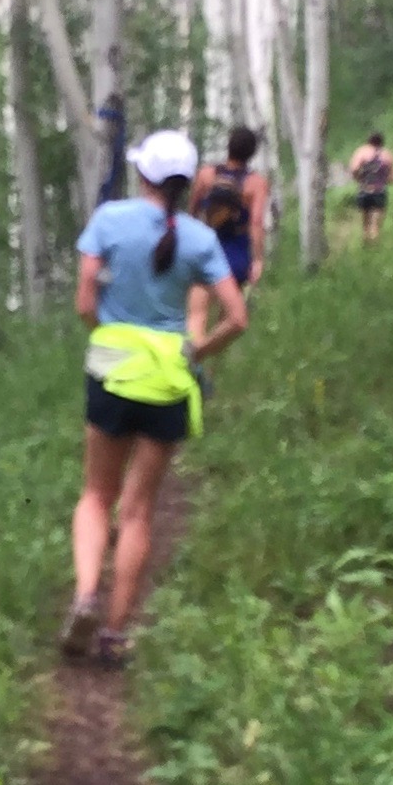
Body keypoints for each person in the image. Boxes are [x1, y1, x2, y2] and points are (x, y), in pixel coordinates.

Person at [61, 129, 248, 669]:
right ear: (187, 184)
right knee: (138, 511)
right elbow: (238, 318)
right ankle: (114, 634)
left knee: (96, 495)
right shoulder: (200, 239)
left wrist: (108, 336)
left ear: (142, 173)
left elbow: (84, 303)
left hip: (113, 366)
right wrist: (197, 352)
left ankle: (85, 595)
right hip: (169, 376)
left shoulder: (109, 220)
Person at [191, 124, 270, 306]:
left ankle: (197, 326)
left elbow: (193, 210)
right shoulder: (256, 183)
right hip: (237, 249)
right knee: (231, 309)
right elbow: (256, 223)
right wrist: (258, 260)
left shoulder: (205, 174)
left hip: (207, 245)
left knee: (199, 308)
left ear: (229, 146)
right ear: (252, 152)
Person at [346, 129, 393, 245]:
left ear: (368, 141)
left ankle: (366, 246)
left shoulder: (361, 152)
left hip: (364, 190)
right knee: (375, 225)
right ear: (382, 141)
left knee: (365, 223)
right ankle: (374, 248)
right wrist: (383, 179)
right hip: (379, 191)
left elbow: (354, 169)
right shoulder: (387, 155)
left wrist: (359, 179)